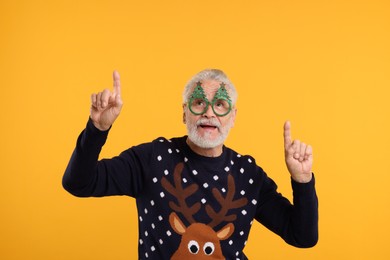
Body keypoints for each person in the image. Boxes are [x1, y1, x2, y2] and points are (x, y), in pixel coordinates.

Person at [63, 69, 318, 260]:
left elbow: (303, 237)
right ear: (184, 112)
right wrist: (97, 128)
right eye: (199, 103)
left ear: (233, 116)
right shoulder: (152, 159)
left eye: (220, 104)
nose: (209, 113)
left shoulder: (248, 175)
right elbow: (78, 183)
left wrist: (302, 181)